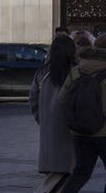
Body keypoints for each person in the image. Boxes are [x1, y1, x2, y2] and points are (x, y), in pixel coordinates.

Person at [29, 34, 77, 193]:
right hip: (70, 131)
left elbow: (32, 100)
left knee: (58, 172)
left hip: (49, 130)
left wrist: (42, 120)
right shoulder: (75, 72)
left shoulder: (42, 73)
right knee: (64, 172)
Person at [59, 32, 106, 192]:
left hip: (79, 132)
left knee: (81, 173)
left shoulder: (76, 70)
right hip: (104, 133)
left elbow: (61, 99)